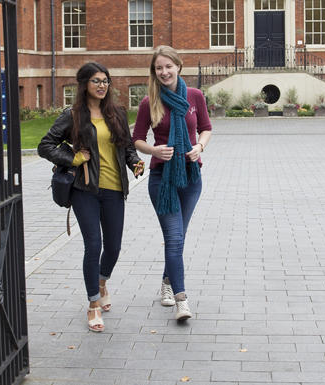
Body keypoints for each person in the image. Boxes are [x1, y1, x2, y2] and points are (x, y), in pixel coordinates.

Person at [38, 62, 144, 332]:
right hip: (85, 190)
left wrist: (135, 163)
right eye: (96, 80)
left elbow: (127, 146)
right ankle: (93, 304)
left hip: (114, 189)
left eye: (105, 80)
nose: (102, 85)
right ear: (84, 83)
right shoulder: (72, 115)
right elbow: (45, 145)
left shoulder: (117, 113)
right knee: (93, 245)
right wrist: (72, 158)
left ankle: (101, 281)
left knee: (114, 247)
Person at [133, 46, 212, 321]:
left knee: (178, 238)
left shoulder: (195, 96)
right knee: (175, 239)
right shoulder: (149, 102)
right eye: (159, 68)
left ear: (178, 66)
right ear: (154, 73)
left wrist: (199, 147)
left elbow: (206, 128)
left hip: (190, 177)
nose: (164, 72)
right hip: (162, 180)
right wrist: (154, 151)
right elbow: (138, 139)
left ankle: (167, 282)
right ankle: (181, 300)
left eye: (168, 66)